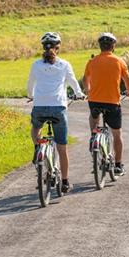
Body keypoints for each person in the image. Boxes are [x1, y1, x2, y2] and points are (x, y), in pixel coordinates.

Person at [27, 32, 85, 193]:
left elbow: (30, 84)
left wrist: (31, 96)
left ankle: (38, 147)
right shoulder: (64, 64)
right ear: (57, 48)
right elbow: (73, 83)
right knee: (62, 147)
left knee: (35, 128)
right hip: (58, 108)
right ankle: (65, 182)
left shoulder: (36, 65)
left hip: (39, 107)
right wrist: (79, 94)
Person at [83, 32, 129, 176]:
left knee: (94, 118)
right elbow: (127, 80)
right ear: (113, 46)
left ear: (100, 46)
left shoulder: (92, 62)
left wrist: (88, 91)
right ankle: (118, 165)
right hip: (112, 102)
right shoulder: (119, 61)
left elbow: (85, 80)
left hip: (94, 101)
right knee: (117, 134)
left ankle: (94, 136)